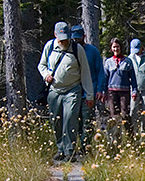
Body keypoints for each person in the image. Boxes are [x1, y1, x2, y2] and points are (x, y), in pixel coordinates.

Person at [38, 21, 94, 161]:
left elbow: (85, 72)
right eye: (61, 38)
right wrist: (46, 75)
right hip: (54, 90)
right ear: (55, 35)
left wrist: (89, 94)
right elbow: (42, 65)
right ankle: (60, 149)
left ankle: (70, 151)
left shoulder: (77, 49)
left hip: (73, 90)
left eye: (66, 38)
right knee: (56, 120)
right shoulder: (49, 47)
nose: (64, 41)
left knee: (70, 118)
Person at [71, 24, 104, 153]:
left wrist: (100, 89)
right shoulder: (70, 50)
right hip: (74, 92)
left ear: (84, 37)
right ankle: (75, 146)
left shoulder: (92, 51)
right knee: (75, 121)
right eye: (74, 38)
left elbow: (100, 71)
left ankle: (86, 147)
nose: (76, 41)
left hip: (89, 93)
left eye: (79, 38)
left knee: (87, 121)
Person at [102, 38, 138, 140]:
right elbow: (105, 78)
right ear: (111, 48)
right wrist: (103, 92)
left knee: (125, 115)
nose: (116, 49)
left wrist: (134, 91)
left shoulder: (128, 61)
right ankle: (115, 140)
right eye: (114, 47)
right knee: (113, 116)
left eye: (117, 46)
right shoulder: (108, 62)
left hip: (124, 92)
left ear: (121, 48)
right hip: (111, 93)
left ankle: (131, 138)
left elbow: (133, 78)